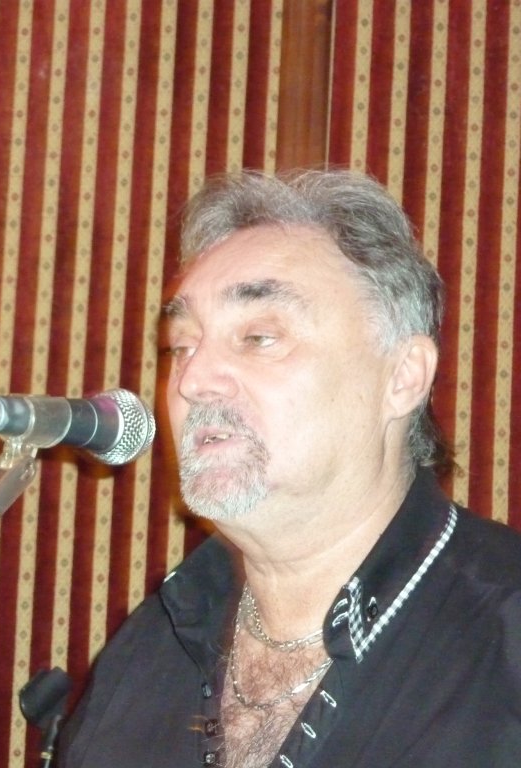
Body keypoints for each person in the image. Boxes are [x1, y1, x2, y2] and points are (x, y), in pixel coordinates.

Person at [56, 169, 521, 767]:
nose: (193, 380)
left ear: (403, 377)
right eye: (182, 345)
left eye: (259, 337)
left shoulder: (505, 637)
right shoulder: (148, 649)